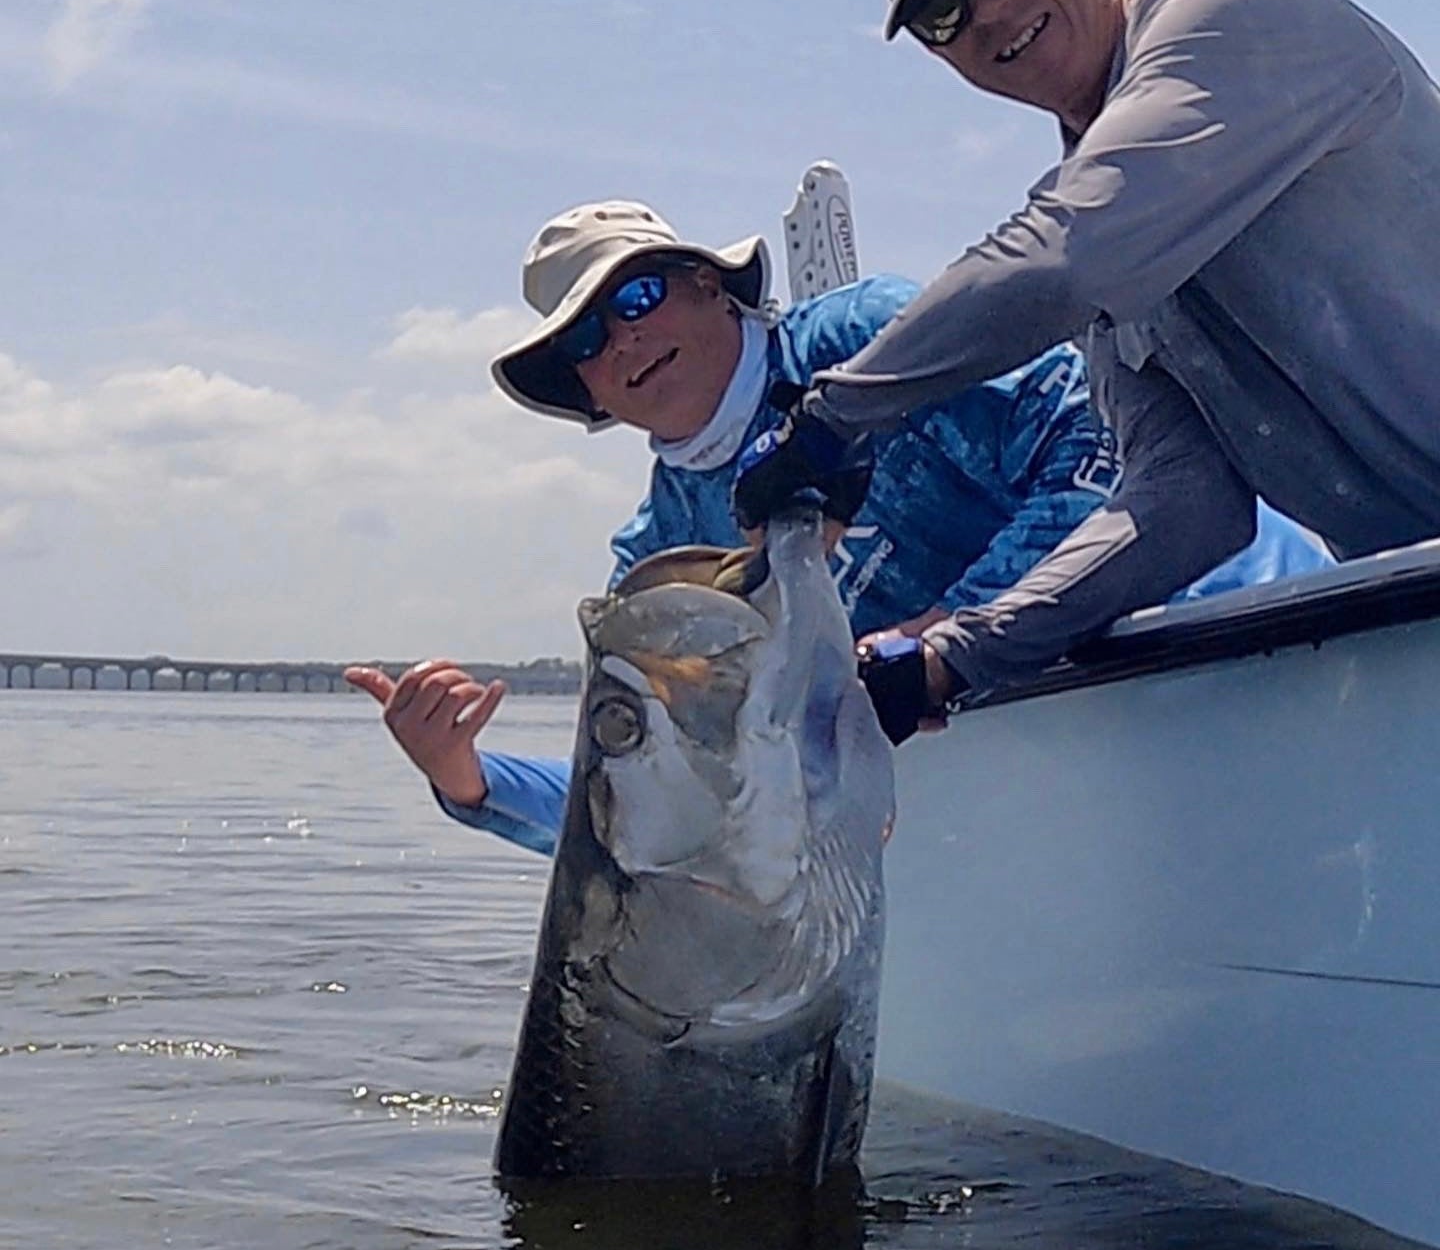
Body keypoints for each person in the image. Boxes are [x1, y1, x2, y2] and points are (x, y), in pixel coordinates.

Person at [347, 183, 1329, 853]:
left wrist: (945, 641)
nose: (624, 340)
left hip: (1253, 638)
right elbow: (667, 804)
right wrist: (465, 779)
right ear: (586, 393)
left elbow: (1108, 454)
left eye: (636, 295)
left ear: (710, 285)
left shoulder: (871, 340)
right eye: (586, 344)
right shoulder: (660, 566)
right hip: (1038, 785)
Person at [733, 0, 1440, 737]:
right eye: (942, 12)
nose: (987, 14)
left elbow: (1069, 256)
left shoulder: (1241, 12)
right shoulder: (1101, 264)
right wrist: (953, 657)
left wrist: (833, 419)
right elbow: (1186, 505)